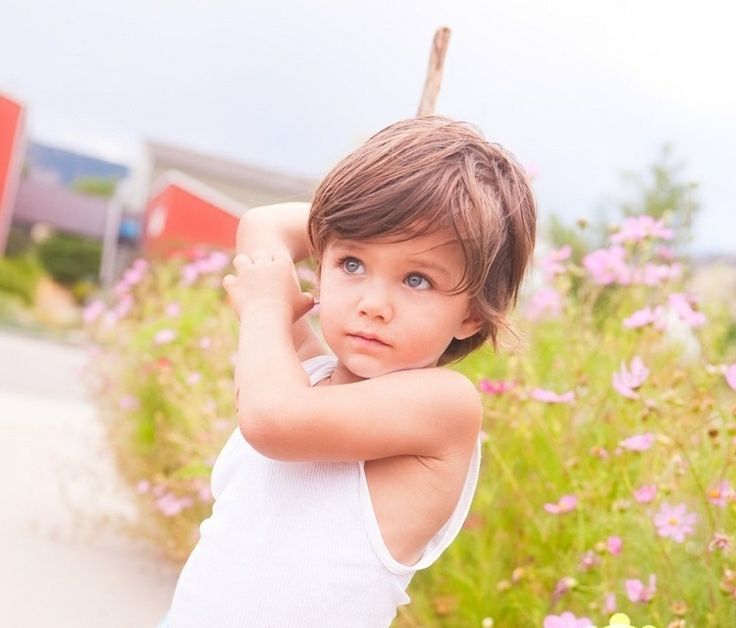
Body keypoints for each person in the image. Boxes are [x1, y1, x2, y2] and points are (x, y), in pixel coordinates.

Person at [160, 115, 536, 627]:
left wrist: (266, 305)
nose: (373, 304)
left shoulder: (445, 405)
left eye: (418, 279)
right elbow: (262, 224)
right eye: (353, 265)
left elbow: (275, 420)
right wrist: (360, 210)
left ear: (473, 312)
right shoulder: (304, 371)